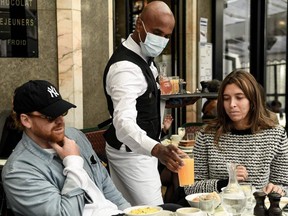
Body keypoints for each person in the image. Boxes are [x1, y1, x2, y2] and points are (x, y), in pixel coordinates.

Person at [1, 80, 130, 216]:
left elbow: (105, 183)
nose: (60, 121)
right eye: (50, 116)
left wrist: (128, 212)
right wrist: (73, 163)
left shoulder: (75, 136)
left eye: (62, 112)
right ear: (26, 120)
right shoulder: (19, 171)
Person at [103, 1, 186, 206]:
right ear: (139, 24)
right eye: (157, 32)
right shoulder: (125, 68)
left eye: (167, 37)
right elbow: (123, 123)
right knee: (156, 210)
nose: (162, 40)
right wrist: (157, 149)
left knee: (130, 210)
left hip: (142, 149)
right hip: (132, 154)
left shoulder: (144, 57)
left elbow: (145, 98)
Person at [184, 70, 288, 197]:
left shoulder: (276, 135)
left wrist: (278, 190)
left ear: (253, 100)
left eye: (239, 97)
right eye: (226, 98)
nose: (232, 104)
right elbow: (190, 187)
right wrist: (227, 183)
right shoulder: (206, 135)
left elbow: (284, 185)